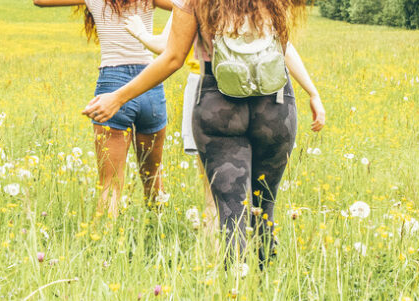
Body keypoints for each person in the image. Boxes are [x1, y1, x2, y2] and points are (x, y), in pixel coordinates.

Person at [82, 0, 387, 259]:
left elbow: (173, 57)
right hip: (274, 105)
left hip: (217, 105)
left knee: (230, 218)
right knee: (264, 211)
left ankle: (231, 297)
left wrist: (118, 97)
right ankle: (263, 291)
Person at [123, 15, 325, 232]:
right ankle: (257, 260)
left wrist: (141, 34)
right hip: (263, 93)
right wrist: (312, 92)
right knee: (258, 197)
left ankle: (218, 261)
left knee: (215, 195)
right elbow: (282, 46)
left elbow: (168, 46)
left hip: (209, 91)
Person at [24, 0, 174, 217]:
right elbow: (186, 5)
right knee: (153, 179)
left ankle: (106, 250)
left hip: (111, 86)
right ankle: (159, 234)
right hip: (151, 85)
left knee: (110, 185)